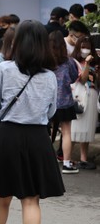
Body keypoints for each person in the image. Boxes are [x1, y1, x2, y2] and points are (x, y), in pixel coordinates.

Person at [0, 20, 64, 224]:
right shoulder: (50, 76)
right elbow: (51, 111)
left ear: (17, 42)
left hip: (8, 135)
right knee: (31, 200)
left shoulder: (4, 69)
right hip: (38, 138)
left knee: (1, 197)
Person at [48, 31, 79, 174]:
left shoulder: (44, 62)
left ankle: (45, 160)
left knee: (45, 131)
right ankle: (66, 163)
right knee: (66, 132)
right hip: (65, 102)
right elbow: (74, 78)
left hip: (47, 102)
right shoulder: (69, 62)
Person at [70, 36, 99, 171]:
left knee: (86, 128)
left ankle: (83, 159)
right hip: (79, 96)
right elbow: (82, 79)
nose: (85, 50)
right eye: (83, 47)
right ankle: (67, 158)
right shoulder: (74, 62)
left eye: (87, 47)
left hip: (91, 95)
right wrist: (87, 65)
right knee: (74, 128)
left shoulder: (96, 62)